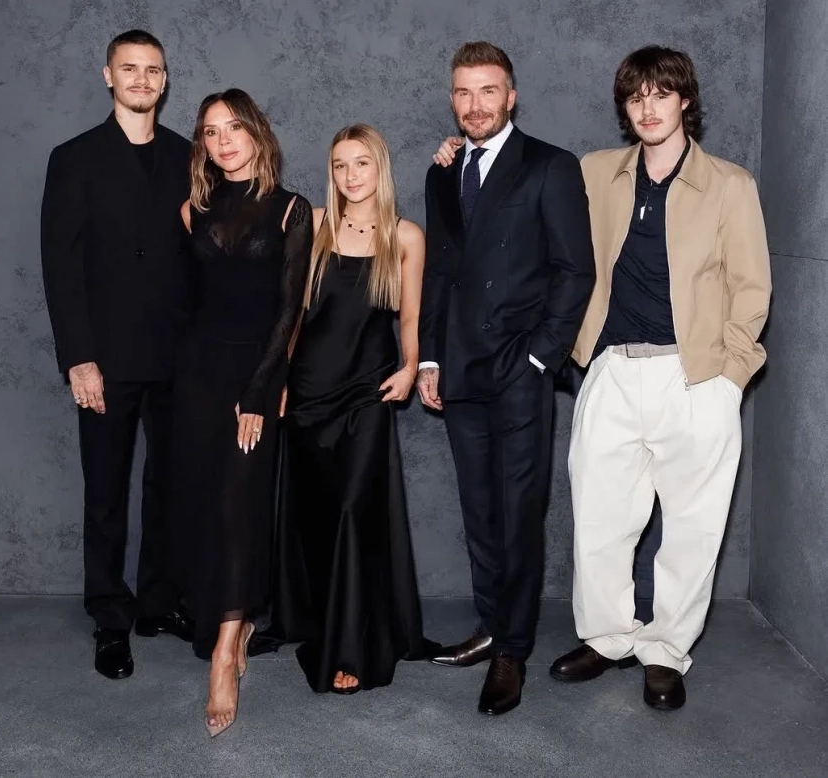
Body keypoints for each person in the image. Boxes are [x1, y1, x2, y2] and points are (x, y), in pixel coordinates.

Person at [549, 45, 772, 711]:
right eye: (635, 96)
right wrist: (460, 152)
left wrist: (729, 377)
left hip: (695, 375)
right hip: (612, 370)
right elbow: (526, 191)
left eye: (661, 94)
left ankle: (666, 651)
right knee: (599, 519)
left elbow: (752, 288)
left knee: (693, 528)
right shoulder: (594, 172)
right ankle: (607, 637)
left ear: (684, 100)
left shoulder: (729, 185)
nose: (647, 108)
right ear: (625, 107)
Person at [417, 41, 596, 716]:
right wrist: (430, 358)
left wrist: (541, 357)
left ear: (511, 96)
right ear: (452, 99)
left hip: (520, 369)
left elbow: (575, 269)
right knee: (480, 509)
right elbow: (440, 270)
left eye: (488, 90)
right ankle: (492, 625)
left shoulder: (550, 166)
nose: (475, 104)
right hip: (461, 367)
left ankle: (513, 649)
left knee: (520, 512)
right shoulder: (444, 171)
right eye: (463, 92)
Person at [40, 29, 194, 682]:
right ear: (108, 76)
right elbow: (60, 266)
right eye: (129, 68)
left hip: (178, 356)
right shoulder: (73, 158)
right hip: (104, 358)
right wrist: (79, 358)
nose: (141, 79)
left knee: (169, 487)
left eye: (152, 70)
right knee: (105, 492)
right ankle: (110, 616)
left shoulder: (190, 155)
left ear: (165, 80)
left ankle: (158, 603)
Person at [268, 124, 429, 694]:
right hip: (309, 392)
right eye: (340, 164)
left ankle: (349, 647)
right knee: (315, 515)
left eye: (361, 163)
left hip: (367, 391)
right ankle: (313, 619)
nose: (350, 175)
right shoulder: (312, 225)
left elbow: (410, 316)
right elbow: (289, 315)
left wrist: (411, 366)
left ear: (380, 168)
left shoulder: (405, 236)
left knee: (353, 512)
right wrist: (277, 381)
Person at [169, 89, 312, 736]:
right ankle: (236, 618)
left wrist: (259, 391)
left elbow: (289, 312)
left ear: (257, 132)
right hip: (197, 377)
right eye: (210, 131)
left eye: (233, 127)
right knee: (207, 504)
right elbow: (189, 303)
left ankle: (226, 652)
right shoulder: (191, 210)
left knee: (239, 504)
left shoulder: (291, 210)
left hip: (254, 377)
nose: (223, 140)